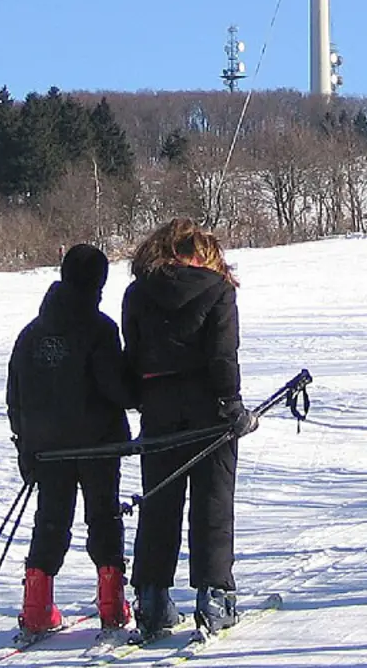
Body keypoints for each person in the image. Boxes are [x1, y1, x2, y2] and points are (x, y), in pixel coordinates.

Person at [123, 219, 257, 639]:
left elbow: (133, 353)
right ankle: (215, 598)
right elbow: (222, 353)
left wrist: (140, 397)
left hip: (158, 408)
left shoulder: (136, 292)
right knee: (213, 501)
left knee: (159, 503)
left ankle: (151, 597)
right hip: (209, 411)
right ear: (201, 253)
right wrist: (232, 404)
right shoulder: (218, 290)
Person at [6, 244, 136, 636]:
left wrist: (24, 444)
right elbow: (117, 389)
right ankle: (112, 604)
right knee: (103, 516)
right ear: (100, 282)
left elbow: (16, 396)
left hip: (47, 447)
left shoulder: (31, 333)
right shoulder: (100, 329)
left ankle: (36, 608)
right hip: (98, 442)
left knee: (50, 519)